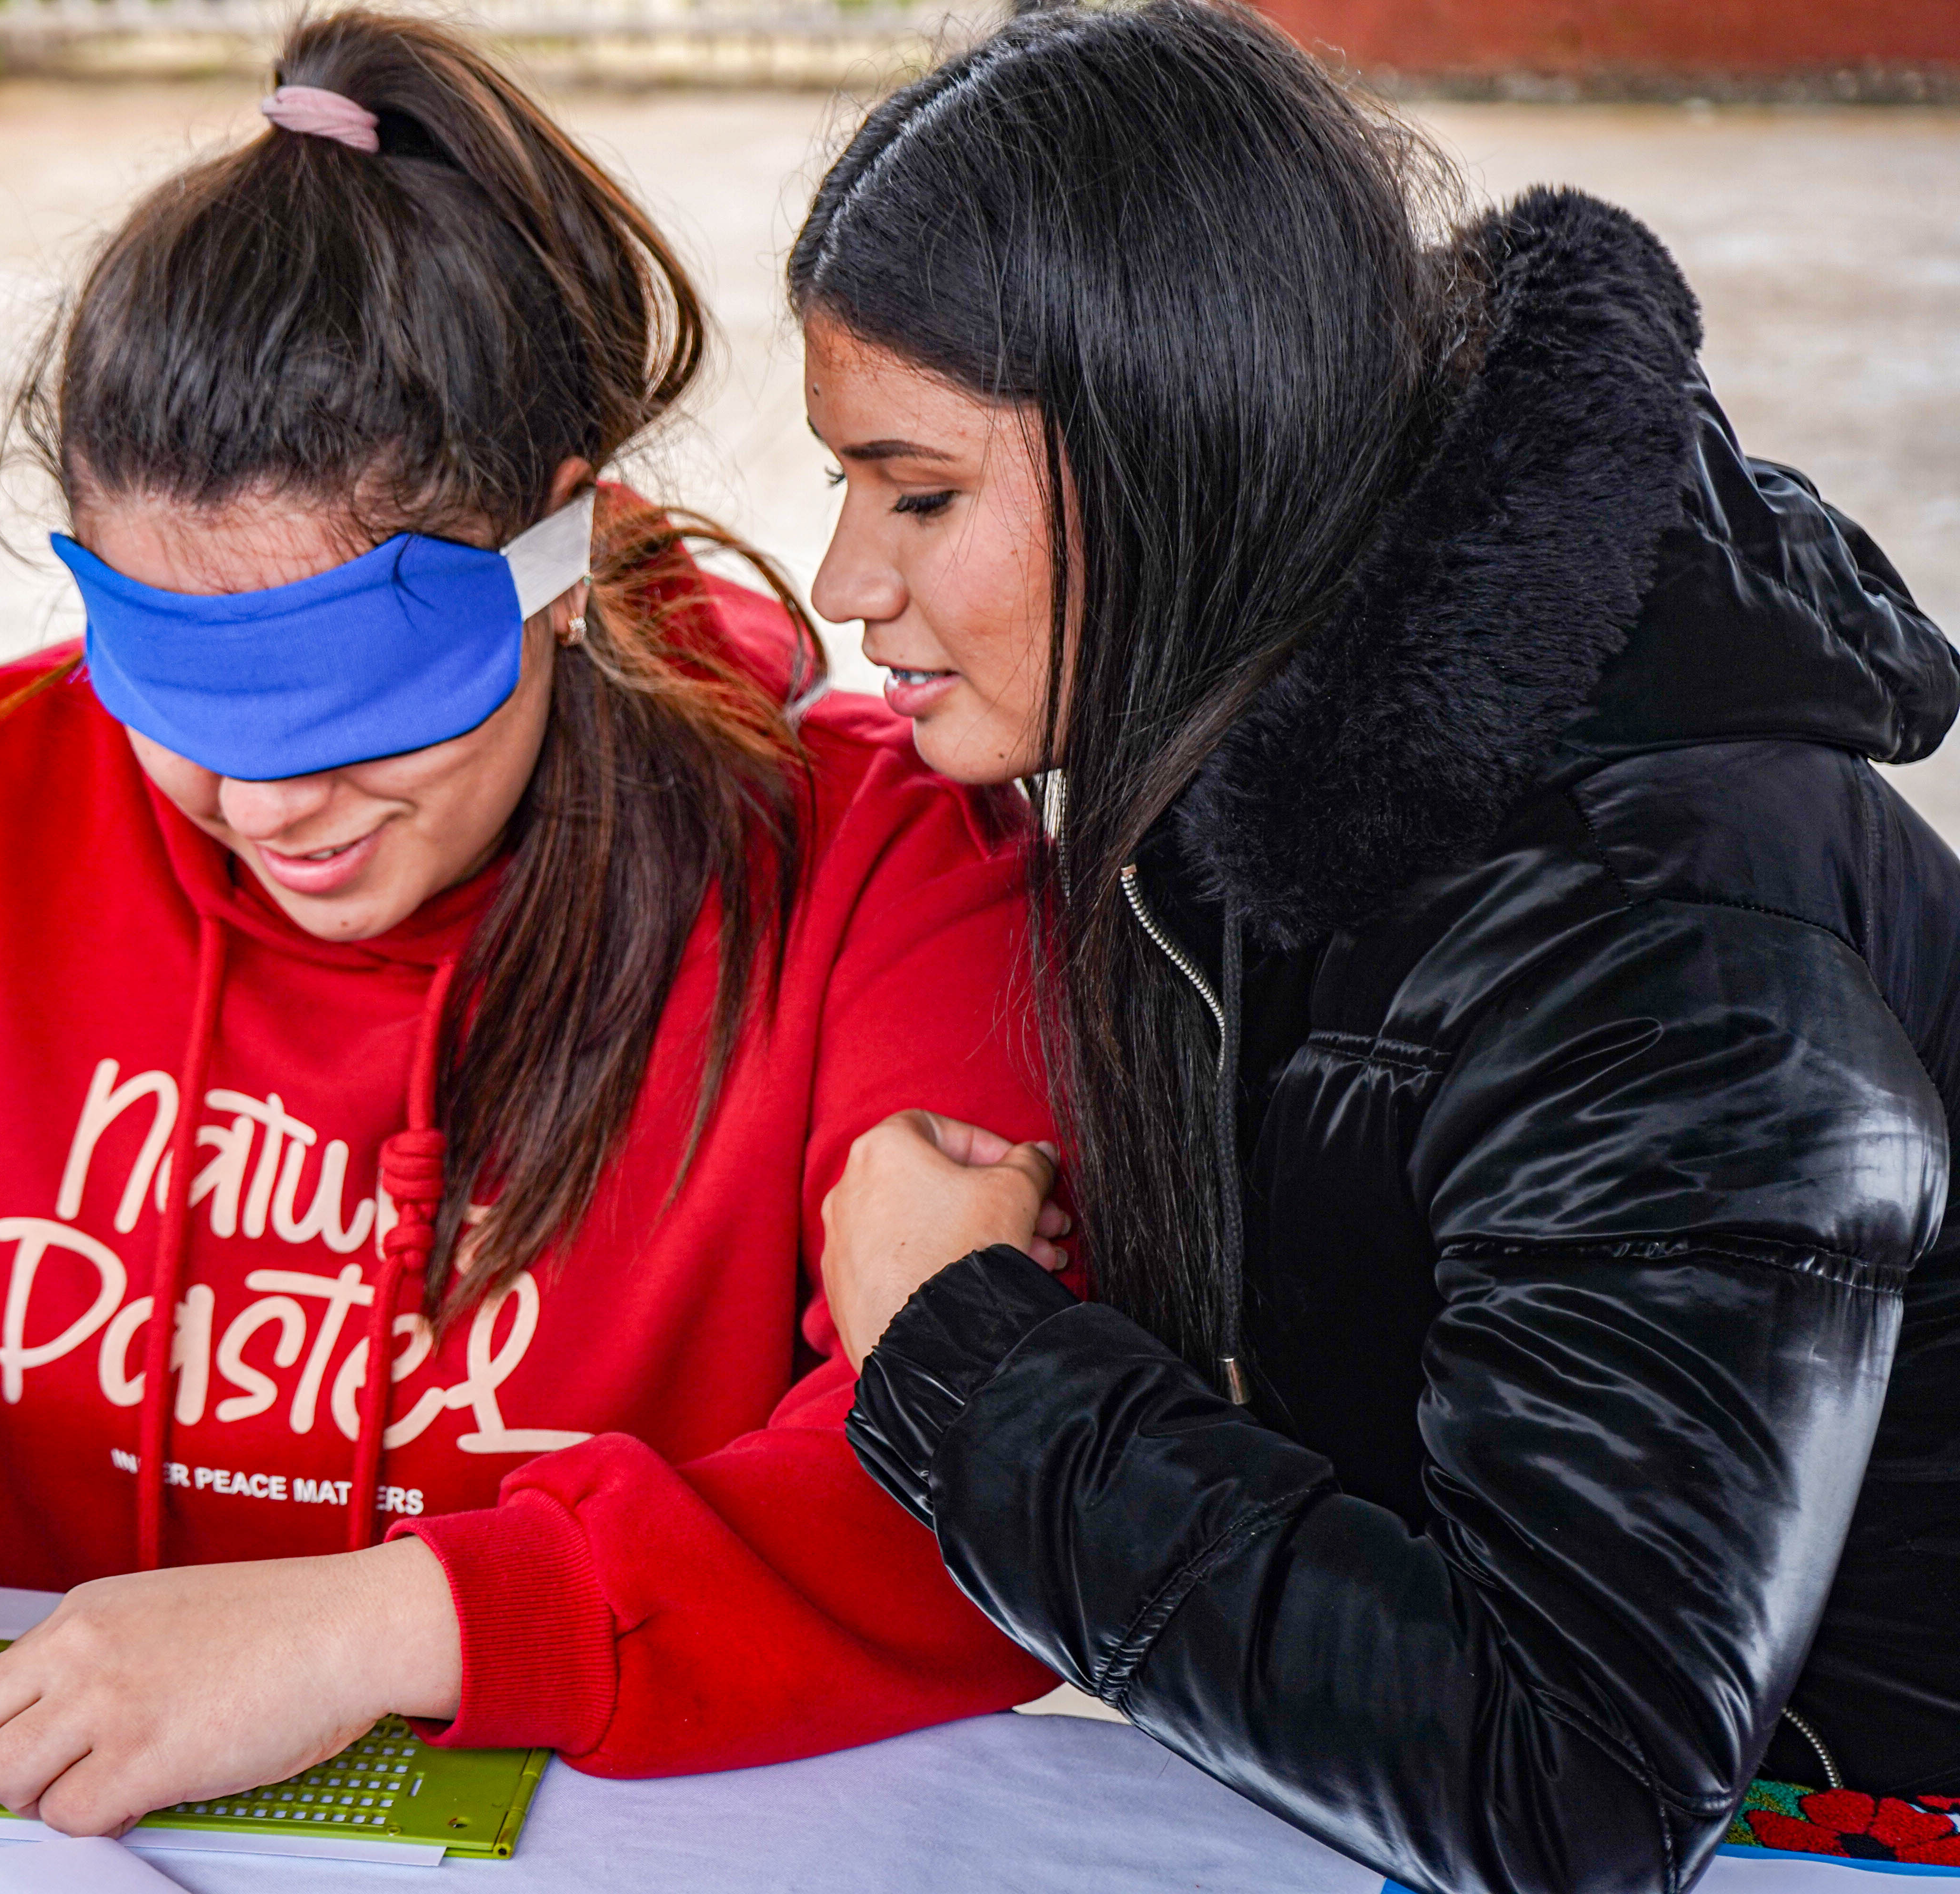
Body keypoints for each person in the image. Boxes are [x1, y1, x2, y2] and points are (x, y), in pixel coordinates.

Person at [0, 8, 1064, 1834]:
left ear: (557, 562)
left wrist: (384, 1630)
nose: (264, 811)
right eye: (180, 708)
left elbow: (989, 1477)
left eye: (356, 716)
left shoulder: (882, 869)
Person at [796, 5, 1960, 1891]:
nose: (848, 579)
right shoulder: (1242, 780)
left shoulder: (1649, 943)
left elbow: (1573, 1794)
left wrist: (970, 1363)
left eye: (918, 491)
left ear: (1179, 446)